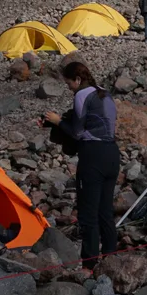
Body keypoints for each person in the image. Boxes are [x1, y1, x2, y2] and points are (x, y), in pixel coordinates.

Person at [43, 61, 119, 266]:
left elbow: (76, 132)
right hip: (112, 153)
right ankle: (111, 258)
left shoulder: (81, 95)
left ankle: (89, 264)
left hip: (93, 156)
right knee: (105, 210)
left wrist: (57, 121)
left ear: (77, 80)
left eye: (69, 84)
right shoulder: (105, 92)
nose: (70, 89)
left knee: (88, 212)